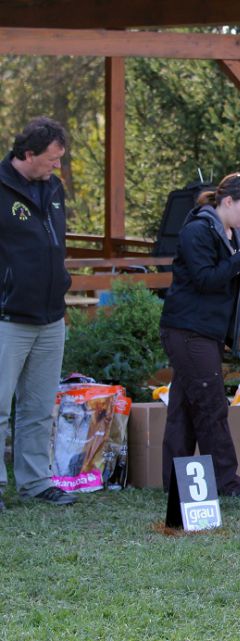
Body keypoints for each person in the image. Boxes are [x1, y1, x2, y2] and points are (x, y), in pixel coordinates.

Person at [159, 173, 240, 500]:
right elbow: (205, 280)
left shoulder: (234, 232)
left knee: (186, 406)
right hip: (188, 331)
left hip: (207, 332)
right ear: (227, 201)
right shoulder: (197, 231)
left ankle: (174, 480)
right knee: (212, 403)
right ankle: (226, 481)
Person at [0, 117, 75, 509]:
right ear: (27, 155)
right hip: (7, 317)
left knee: (39, 407)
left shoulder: (54, 188)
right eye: (50, 160)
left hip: (50, 318)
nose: (56, 168)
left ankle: (36, 482)